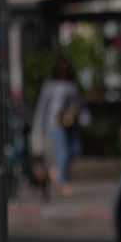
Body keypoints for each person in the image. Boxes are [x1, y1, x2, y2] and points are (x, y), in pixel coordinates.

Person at [31, 54, 90, 196]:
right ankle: (62, 182)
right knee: (62, 152)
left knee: (75, 149)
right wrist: (38, 126)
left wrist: (85, 118)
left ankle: (55, 171)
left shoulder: (72, 85)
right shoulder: (50, 85)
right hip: (55, 123)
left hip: (70, 122)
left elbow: (79, 104)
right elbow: (42, 106)